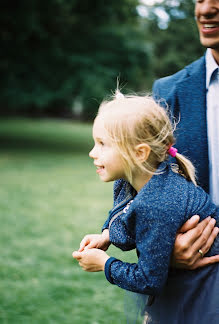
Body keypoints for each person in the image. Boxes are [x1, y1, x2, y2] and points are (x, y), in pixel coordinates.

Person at [73, 91, 219, 323]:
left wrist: (104, 264)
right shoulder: (133, 179)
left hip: (200, 296)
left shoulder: (157, 203)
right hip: (182, 286)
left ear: (140, 153)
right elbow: (125, 215)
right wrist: (107, 235)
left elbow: (148, 279)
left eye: (102, 144)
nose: (92, 152)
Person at [152, 0, 219, 270]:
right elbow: (144, 190)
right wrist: (166, 247)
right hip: (196, 282)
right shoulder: (167, 92)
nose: (204, 9)